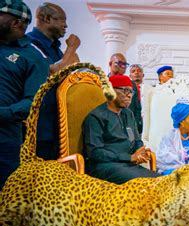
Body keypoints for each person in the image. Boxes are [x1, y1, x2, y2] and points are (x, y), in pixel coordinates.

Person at [0, 0, 49, 188]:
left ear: (16, 23)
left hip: (5, 141)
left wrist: (3, 113)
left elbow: (34, 102)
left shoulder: (34, 56)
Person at [27, 2, 81, 160]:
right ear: (46, 18)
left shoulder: (56, 48)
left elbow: (73, 69)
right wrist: (71, 48)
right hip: (39, 124)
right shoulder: (30, 44)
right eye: (62, 20)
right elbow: (54, 73)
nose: (66, 25)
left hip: (56, 122)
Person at [82, 75, 158, 184]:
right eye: (125, 90)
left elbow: (136, 140)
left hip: (128, 165)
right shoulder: (96, 117)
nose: (129, 95)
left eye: (131, 91)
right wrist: (129, 157)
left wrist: (140, 151)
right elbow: (95, 152)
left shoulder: (128, 114)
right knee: (147, 183)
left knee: (160, 180)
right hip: (105, 166)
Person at [108, 53, 143, 134]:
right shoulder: (102, 82)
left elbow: (137, 107)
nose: (122, 66)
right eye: (119, 63)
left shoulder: (132, 84)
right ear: (110, 64)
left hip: (128, 125)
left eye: (124, 64)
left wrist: (136, 126)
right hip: (109, 125)